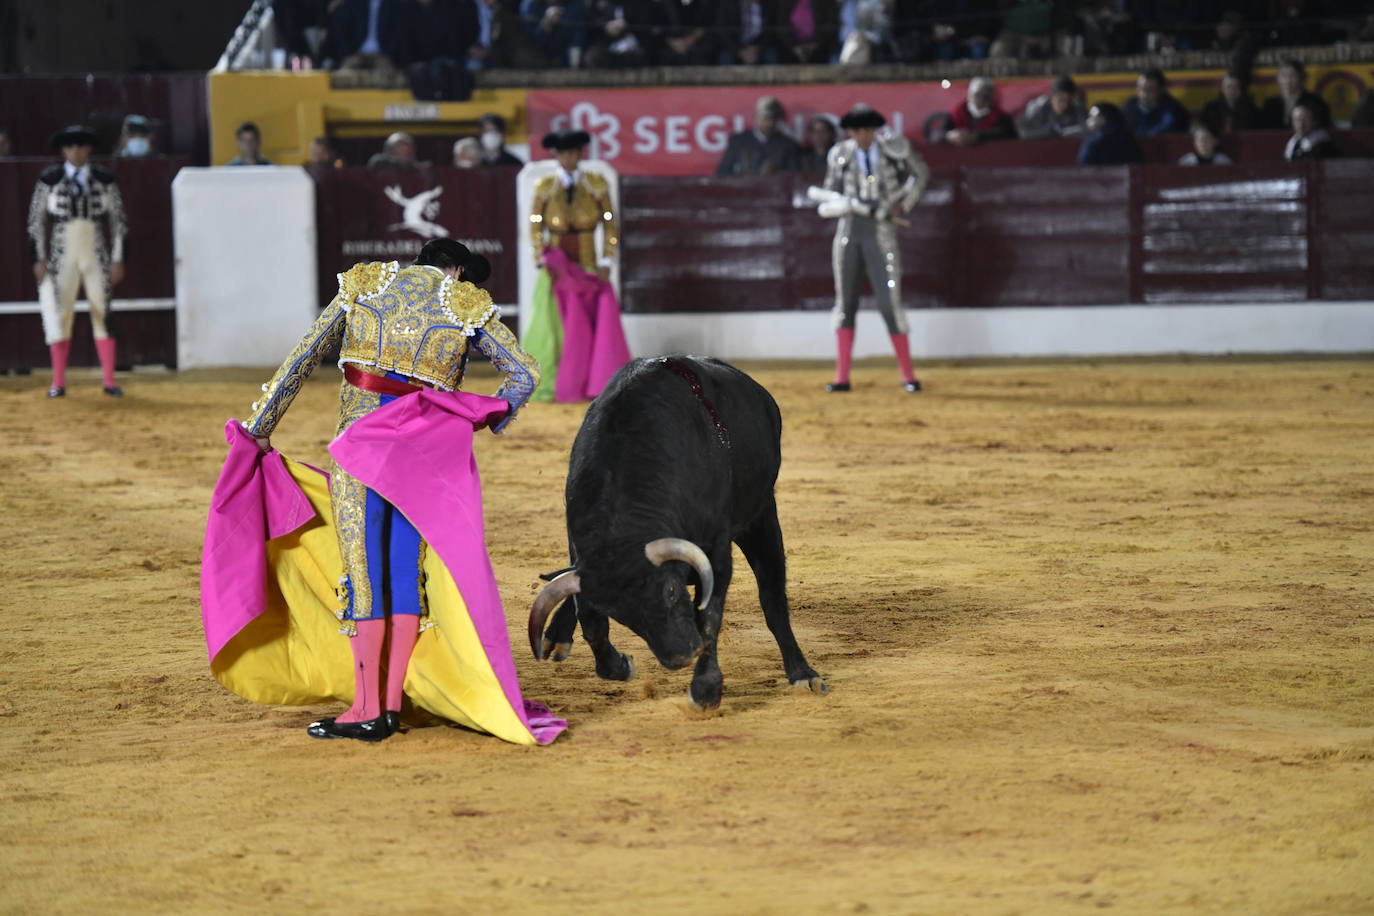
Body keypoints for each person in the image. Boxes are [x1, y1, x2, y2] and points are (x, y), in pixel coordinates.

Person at [219, 238, 564, 744]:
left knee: (363, 574)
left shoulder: (366, 285)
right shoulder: (463, 303)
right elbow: (524, 373)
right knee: (405, 575)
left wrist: (260, 428)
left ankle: (365, 708)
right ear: (459, 271)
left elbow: (300, 360)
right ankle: (392, 706)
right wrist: (476, 418)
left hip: (358, 455)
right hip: (419, 463)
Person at [819, 105, 929, 394]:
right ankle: (842, 377)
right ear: (850, 132)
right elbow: (829, 190)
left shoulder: (894, 150)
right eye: (857, 131)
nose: (863, 136)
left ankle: (908, 375)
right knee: (846, 304)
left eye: (868, 130)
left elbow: (921, 173)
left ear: (875, 130)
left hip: (882, 232)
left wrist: (903, 204)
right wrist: (841, 203)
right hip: (849, 231)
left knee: (889, 302)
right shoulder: (839, 155)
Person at [524, 129, 631, 402]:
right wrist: (540, 257)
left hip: (589, 264)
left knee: (591, 326)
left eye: (574, 152)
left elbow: (610, 222)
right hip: (557, 268)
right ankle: (560, 379)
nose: (570, 158)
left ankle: (590, 382)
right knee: (555, 326)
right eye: (564, 153)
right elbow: (535, 224)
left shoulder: (597, 184)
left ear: (580, 154)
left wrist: (607, 258)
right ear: (557, 155)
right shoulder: (545, 186)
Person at [26, 125, 127, 398]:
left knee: (102, 313)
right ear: (63, 150)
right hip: (61, 255)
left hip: (96, 253)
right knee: (59, 316)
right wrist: (38, 258)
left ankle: (109, 380)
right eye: (71, 146)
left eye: (81, 146)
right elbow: (36, 222)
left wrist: (117, 259)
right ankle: (58, 382)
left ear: (89, 149)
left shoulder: (105, 178)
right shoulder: (49, 178)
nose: (76, 151)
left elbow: (118, 222)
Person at [407, 0, 478, 100]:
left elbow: (464, 37)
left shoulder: (458, 7)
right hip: (426, 62)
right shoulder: (410, 10)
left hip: (455, 60)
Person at [715, 96, 802, 176]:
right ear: (757, 118)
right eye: (766, 118)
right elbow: (722, 174)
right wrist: (747, 175)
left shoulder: (788, 145)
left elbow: (795, 177)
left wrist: (777, 172)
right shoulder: (739, 142)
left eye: (773, 119)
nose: (770, 123)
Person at [329, 0, 410, 72]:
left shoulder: (396, 4)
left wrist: (389, 57)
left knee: (385, 75)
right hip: (356, 55)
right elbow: (342, 32)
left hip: (383, 56)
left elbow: (397, 35)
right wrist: (347, 56)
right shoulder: (354, 3)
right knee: (345, 73)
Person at [1261, 59, 1331, 131]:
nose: (1287, 80)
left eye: (1292, 75)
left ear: (1302, 77)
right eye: (1283, 75)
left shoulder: (1315, 102)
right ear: (1278, 78)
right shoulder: (1270, 103)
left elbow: (1325, 128)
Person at [944, 77, 1015, 147]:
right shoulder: (956, 114)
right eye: (978, 94)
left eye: (987, 96)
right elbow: (938, 134)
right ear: (970, 95)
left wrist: (977, 136)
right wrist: (951, 135)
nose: (982, 98)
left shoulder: (1002, 117)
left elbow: (1008, 135)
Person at [1017, 75, 1089, 140]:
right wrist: (1047, 132)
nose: (1065, 104)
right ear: (1052, 96)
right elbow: (1023, 133)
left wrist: (1063, 132)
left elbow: (1087, 129)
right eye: (1061, 100)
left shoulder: (1077, 106)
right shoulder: (1039, 106)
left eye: (1069, 101)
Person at [1123, 68, 1190, 136]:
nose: (1144, 94)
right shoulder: (1130, 107)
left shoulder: (1174, 110)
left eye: (1150, 89)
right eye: (1140, 88)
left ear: (1160, 90)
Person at [1076, 102, 1143, 165]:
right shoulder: (1129, 138)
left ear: (1102, 118)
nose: (1088, 120)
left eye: (1091, 116)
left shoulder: (1093, 141)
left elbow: (1084, 166)